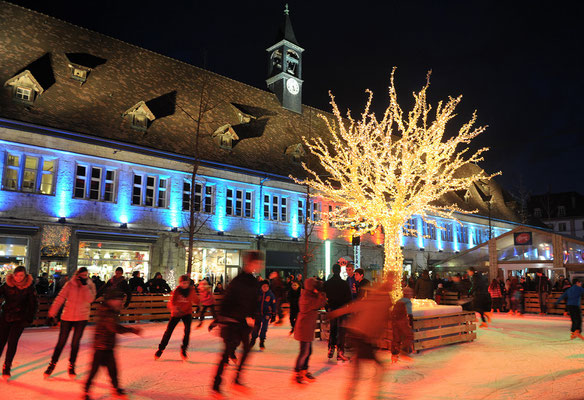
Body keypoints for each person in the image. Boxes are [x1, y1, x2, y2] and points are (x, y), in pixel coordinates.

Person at [328, 279, 393, 399]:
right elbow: (356, 307)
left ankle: (352, 395)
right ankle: (371, 395)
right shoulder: (381, 301)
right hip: (362, 337)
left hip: (358, 335)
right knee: (373, 369)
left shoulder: (374, 299)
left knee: (358, 371)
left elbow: (354, 307)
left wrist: (336, 312)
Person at [212, 250, 262, 396]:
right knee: (227, 353)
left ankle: (237, 379)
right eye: (257, 263)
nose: (259, 266)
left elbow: (253, 302)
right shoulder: (238, 280)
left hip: (243, 322)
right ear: (250, 263)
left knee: (247, 349)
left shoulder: (253, 281)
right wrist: (220, 320)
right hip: (230, 320)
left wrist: (252, 316)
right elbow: (228, 300)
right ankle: (216, 385)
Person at [83, 289, 141, 400]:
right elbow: (114, 327)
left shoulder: (111, 310)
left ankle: (115, 388)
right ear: (111, 300)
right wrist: (132, 330)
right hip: (101, 347)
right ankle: (86, 391)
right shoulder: (107, 311)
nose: (121, 303)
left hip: (107, 346)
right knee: (94, 371)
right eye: (119, 300)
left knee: (113, 370)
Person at [44, 267, 97, 379]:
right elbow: (60, 298)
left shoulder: (90, 285)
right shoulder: (70, 284)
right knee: (61, 342)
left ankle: (72, 365)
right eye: (82, 275)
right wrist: (52, 313)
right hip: (67, 316)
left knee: (75, 343)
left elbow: (90, 299)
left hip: (81, 317)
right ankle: (52, 364)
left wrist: (84, 286)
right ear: (77, 275)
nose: (84, 277)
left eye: (85, 275)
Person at [0, 266, 37, 379]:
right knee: (1, 341)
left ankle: (7, 366)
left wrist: (29, 318)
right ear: (13, 275)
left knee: (12, 342)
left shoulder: (29, 288)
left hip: (20, 318)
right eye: (17, 275)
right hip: (6, 316)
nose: (18, 278)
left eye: (21, 275)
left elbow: (33, 304)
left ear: (25, 276)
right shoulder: (7, 285)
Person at [154, 275, 199, 360]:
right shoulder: (176, 291)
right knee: (169, 331)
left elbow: (196, 299)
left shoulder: (191, 291)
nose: (184, 285)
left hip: (187, 313)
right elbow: (171, 302)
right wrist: (174, 308)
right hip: (176, 313)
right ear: (180, 283)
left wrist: (198, 304)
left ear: (188, 283)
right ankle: (161, 349)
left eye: (186, 283)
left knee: (187, 331)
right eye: (183, 283)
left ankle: (184, 349)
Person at [293, 277, 327, 384]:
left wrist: (318, 292)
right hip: (304, 329)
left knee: (307, 351)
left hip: (307, 328)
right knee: (304, 352)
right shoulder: (307, 298)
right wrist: (321, 293)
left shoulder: (309, 295)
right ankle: (297, 373)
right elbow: (321, 303)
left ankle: (304, 371)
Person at [324, 263, 352, 361]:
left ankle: (331, 348)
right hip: (342, 310)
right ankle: (340, 351)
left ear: (332, 271)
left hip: (332, 309)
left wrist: (327, 307)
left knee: (333, 329)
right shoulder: (344, 284)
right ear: (340, 271)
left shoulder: (327, 283)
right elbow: (349, 298)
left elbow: (323, 297)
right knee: (341, 331)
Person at [391, 282, 414, 363]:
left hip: (394, 321)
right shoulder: (407, 301)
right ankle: (404, 352)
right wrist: (411, 323)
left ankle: (394, 355)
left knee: (396, 337)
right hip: (401, 321)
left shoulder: (398, 301)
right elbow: (409, 314)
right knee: (408, 335)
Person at [250, 280, 276, 350]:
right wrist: (252, 312)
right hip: (258, 314)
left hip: (266, 314)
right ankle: (253, 340)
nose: (265, 288)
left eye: (267, 286)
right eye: (264, 286)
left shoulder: (270, 295)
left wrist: (273, 315)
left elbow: (273, 305)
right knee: (256, 328)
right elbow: (253, 304)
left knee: (264, 328)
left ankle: (262, 341)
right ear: (261, 287)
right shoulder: (258, 294)